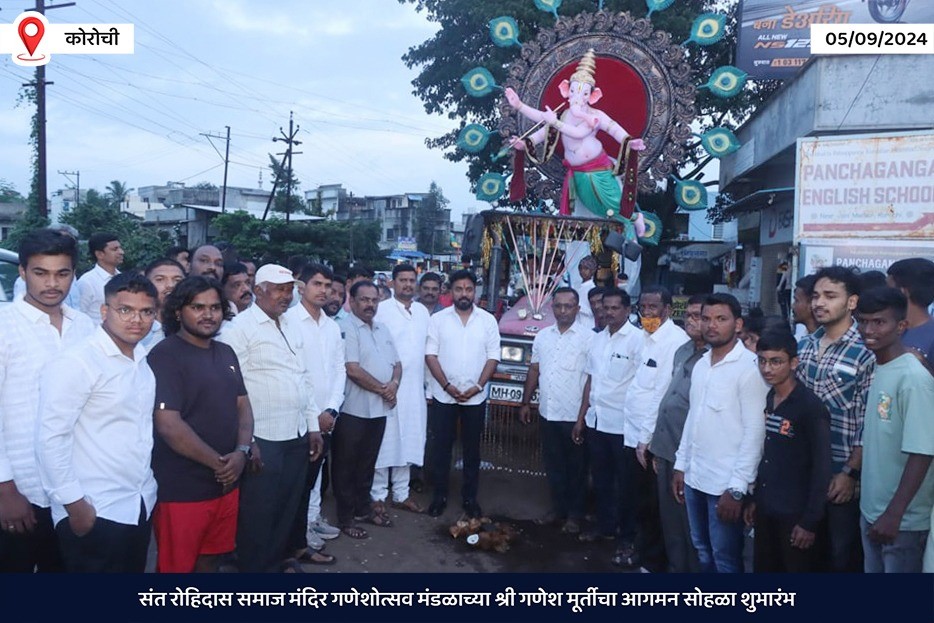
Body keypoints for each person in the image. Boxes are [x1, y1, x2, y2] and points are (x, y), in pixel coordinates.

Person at [36, 273, 159, 572]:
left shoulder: (141, 361)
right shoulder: (78, 362)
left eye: (146, 312)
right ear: (105, 311)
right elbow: (50, 439)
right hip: (95, 510)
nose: (136, 320)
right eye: (125, 310)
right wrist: (74, 505)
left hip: (137, 504)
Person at [217, 263, 324, 573]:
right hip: (263, 436)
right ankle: (253, 569)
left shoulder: (290, 324)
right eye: (279, 290)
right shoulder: (238, 329)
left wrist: (313, 426)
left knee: (287, 505)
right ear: (259, 291)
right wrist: (246, 439)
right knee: (258, 510)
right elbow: (231, 387)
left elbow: (302, 376)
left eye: (290, 290)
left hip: (296, 432)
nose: (286, 296)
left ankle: (275, 563)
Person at [0, 229, 95, 572]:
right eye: (41, 273)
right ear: (23, 272)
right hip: (20, 489)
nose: (52, 283)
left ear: (74, 274)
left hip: (74, 489)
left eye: (62, 273)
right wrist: (5, 489)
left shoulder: (86, 328)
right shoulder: (4, 326)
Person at [147, 277, 254, 572]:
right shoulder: (164, 355)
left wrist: (242, 450)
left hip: (226, 486)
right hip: (183, 489)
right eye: (198, 307)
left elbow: (243, 406)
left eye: (215, 307)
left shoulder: (226, 352)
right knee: (176, 567)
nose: (208, 314)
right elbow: (169, 425)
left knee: (212, 559)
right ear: (179, 312)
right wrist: (222, 464)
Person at [673, 293, 769, 573]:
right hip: (695, 477)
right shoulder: (702, 364)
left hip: (725, 485)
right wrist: (681, 465)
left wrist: (738, 488)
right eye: (706, 319)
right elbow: (694, 418)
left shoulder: (750, 369)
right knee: (703, 551)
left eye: (721, 319)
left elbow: (755, 432)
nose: (711, 325)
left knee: (726, 559)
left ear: (738, 324)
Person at [796, 266, 875, 573]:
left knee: (841, 556)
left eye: (830, 296)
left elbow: (868, 423)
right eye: (816, 295)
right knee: (804, 553)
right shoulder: (804, 347)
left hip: (840, 472)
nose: (819, 303)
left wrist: (850, 474)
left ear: (851, 302)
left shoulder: (866, 351)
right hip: (803, 468)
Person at [505, 49, 645, 220]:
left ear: (592, 96)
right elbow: (542, 128)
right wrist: (520, 112)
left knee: (612, 206)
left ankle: (636, 219)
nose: (578, 97)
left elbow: (605, 130)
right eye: (574, 91)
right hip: (577, 173)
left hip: (599, 170)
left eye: (584, 93)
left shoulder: (593, 116)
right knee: (592, 213)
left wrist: (628, 142)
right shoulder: (563, 115)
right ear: (566, 91)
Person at [855, 287, 934, 573]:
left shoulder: (913, 378)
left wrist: (894, 514)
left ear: (901, 326)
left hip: (902, 522)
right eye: (862, 321)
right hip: (873, 513)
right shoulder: (881, 367)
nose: (868, 330)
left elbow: (923, 451)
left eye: (879, 322)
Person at [745, 330, 831, 572]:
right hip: (767, 509)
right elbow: (769, 456)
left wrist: (809, 522)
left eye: (776, 361)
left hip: (796, 517)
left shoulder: (810, 407)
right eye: (762, 361)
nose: (767, 369)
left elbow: (822, 469)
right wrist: (755, 501)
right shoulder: (770, 397)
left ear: (794, 362)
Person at [425, 270, 500, 519]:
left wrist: (478, 386)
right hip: (444, 395)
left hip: (475, 396)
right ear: (451, 291)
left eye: (468, 289)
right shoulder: (438, 320)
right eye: (459, 289)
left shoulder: (488, 320)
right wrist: (447, 386)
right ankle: (439, 496)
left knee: (472, 450)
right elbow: (430, 356)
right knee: (441, 448)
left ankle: (470, 498)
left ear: (474, 292)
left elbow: (493, 357)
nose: (464, 294)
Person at [572, 288, 642, 551]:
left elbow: (642, 386)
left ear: (627, 310)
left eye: (614, 308)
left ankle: (627, 537)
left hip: (623, 425)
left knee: (625, 484)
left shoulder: (638, 341)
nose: (608, 312)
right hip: (596, 422)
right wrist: (581, 418)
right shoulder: (598, 340)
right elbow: (590, 381)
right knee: (601, 479)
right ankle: (605, 528)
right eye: (605, 308)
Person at [623, 285, 688, 570]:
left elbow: (662, 394)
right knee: (637, 499)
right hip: (634, 432)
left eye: (653, 308)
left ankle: (652, 559)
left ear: (668, 310)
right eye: (643, 308)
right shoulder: (645, 338)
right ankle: (642, 551)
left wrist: (645, 439)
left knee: (653, 504)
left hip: (651, 439)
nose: (647, 313)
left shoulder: (674, 341)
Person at [519, 287, 592, 535]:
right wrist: (526, 402)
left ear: (577, 309)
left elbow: (590, 380)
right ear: (552, 308)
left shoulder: (588, 339)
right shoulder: (542, 336)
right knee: (554, 466)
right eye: (558, 306)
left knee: (577, 469)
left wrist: (582, 418)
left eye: (568, 306)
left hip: (573, 417)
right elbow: (534, 370)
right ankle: (558, 510)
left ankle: (574, 515)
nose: (563, 311)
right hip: (548, 413)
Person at [285, 263, 345, 559]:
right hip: (300, 419)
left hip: (327, 417)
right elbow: (295, 374)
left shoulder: (332, 326)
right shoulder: (288, 322)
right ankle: (298, 537)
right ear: (301, 287)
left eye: (328, 286)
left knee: (318, 473)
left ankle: (312, 520)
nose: (323, 291)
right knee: (300, 479)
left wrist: (331, 409)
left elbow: (338, 370)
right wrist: (314, 417)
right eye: (317, 284)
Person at [334, 281, 402, 539]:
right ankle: (345, 518)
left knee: (367, 463)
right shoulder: (345, 327)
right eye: (364, 299)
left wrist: (394, 384)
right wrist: (384, 391)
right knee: (345, 465)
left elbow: (397, 364)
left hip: (379, 411)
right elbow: (352, 369)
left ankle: (363, 508)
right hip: (353, 410)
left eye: (374, 300)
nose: (370, 305)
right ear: (351, 301)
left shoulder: (382, 328)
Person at [649, 294, 706, 573]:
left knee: (690, 523)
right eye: (690, 315)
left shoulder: (715, 358)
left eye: (700, 316)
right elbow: (668, 395)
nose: (692, 321)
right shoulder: (683, 350)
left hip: (692, 454)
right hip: (666, 445)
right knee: (669, 519)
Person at [372, 264, 429, 516]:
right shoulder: (381, 311)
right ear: (392, 283)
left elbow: (426, 351)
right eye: (402, 280)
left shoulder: (422, 312)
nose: (407, 284)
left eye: (411, 280)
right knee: (386, 440)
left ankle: (402, 493)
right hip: (387, 386)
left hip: (414, 388)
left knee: (409, 439)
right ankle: (378, 495)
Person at [886, 258, 934, 365]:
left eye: (888, 289)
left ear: (904, 292)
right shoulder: (882, 330)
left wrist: (922, 364)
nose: (883, 296)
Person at [76, 232, 123, 322]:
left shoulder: (122, 278)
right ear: (99, 254)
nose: (121, 252)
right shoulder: (87, 282)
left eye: (120, 248)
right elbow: (79, 315)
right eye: (115, 249)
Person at [141, 258, 185, 351]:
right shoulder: (137, 325)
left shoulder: (194, 325)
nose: (170, 285)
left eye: (177, 280)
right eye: (160, 279)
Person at [574, 256, 597, 327]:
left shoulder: (592, 288)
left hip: (587, 323)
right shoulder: (578, 286)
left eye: (586, 269)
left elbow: (593, 311)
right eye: (580, 268)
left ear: (592, 271)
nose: (582, 271)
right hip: (576, 321)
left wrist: (578, 307)